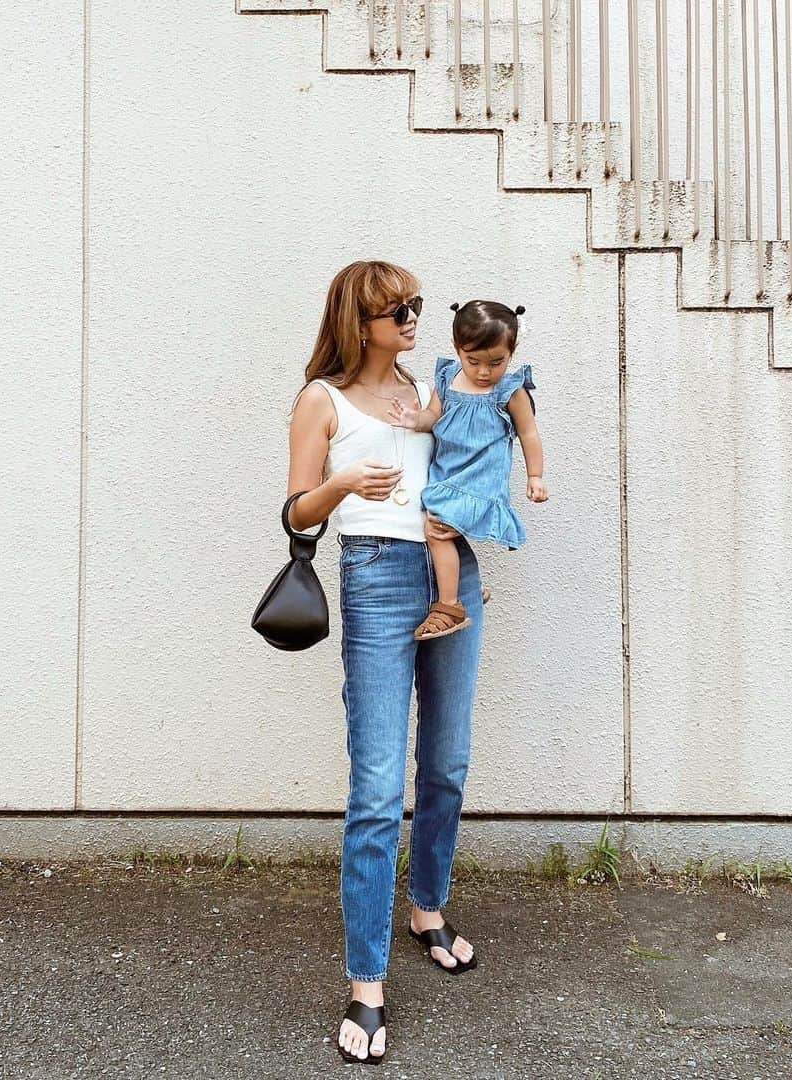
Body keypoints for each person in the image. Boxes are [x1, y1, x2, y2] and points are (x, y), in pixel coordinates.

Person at [286, 260, 483, 1065]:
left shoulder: (433, 385)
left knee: (447, 763)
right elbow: (297, 510)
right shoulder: (321, 400)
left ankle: (426, 907)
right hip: (373, 574)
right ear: (356, 320)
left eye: (416, 307)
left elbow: (483, 444)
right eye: (396, 310)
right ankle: (366, 984)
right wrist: (342, 484)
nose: (412, 319)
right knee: (375, 788)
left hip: (452, 571)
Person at [389, 300, 548, 641]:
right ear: (456, 349)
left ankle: (449, 606)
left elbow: (529, 433)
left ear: (511, 352)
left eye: (496, 362)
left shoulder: (509, 390)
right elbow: (433, 416)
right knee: (439, 531)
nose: (484, 372)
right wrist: (414, 420)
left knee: (436, 530)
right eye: (473, 360)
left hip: (480, 481)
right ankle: (468, 590)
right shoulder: (447, 378)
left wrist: (535, 476)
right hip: (447, 475)